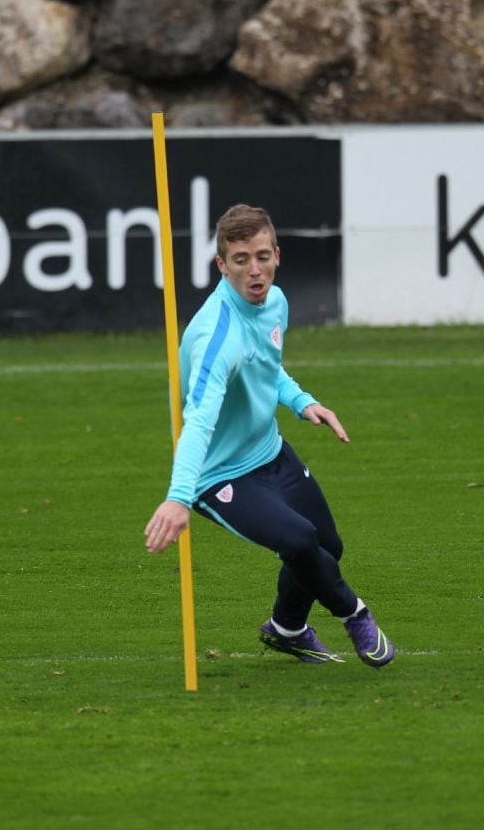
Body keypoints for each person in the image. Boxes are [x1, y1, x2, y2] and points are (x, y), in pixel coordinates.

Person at [144, 204, 394, 667]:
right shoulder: (215, 337)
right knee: (300, 541)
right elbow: (197, 420)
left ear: (277, 255)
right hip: (217, 475)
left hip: (269, 450)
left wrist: (302, 401)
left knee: (327, 546)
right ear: (222, 265)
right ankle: (355, 614)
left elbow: (268, 366)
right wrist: (179, 498)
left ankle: (287, 629)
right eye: (240, 260)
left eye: (262, 256)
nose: (254, 270)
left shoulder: (275, 301)